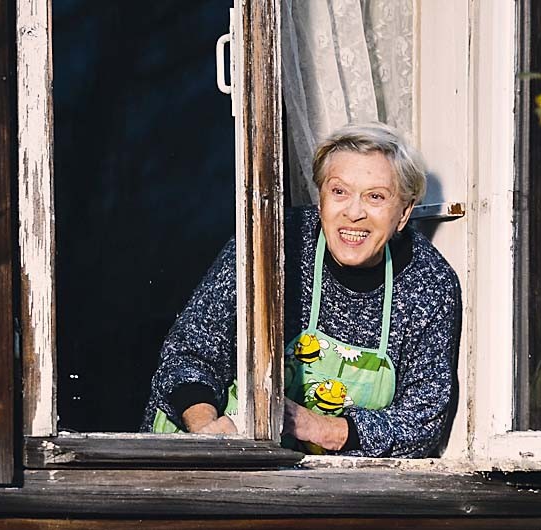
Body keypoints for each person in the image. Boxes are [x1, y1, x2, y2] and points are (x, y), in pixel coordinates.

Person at [141, 122, 462, 457]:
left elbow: (422, 422)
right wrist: (206, 429)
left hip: (320, 483)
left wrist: (316, 427)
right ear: (320, 198)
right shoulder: (271, 242)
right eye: (339, 192)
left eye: (375, 197)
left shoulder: (429, 283)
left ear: (404, 213)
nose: (354, 213)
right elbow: (189, 352)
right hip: (203, 453)